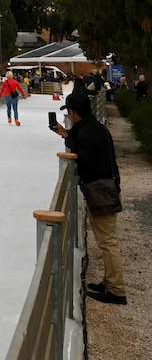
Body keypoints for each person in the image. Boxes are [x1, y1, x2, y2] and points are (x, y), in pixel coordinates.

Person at [55, 91, 126, 305]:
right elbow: (84, 144)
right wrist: (67, 135)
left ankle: (116, 290)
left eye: (69, 111)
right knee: (106, 239)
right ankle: (109, 282)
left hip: (101, 190)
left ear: (74, 112)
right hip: (105, 187)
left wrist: (71, 142)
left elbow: (85, 160)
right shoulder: (93, 128)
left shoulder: (88, 133)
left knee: (107, 241)